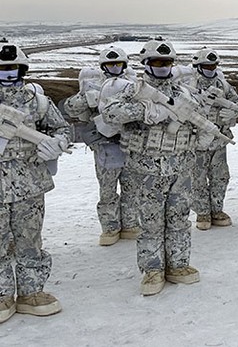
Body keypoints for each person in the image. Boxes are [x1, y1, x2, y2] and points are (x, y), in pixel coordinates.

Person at [100, 38, 203, 296]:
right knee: (151, 221)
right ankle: (153, 269)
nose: (162, 66)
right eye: (157, 62)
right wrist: (147, 109)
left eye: (167, 62)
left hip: (181, 167)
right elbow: (110, 113)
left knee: (179, 218)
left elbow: (199, 118)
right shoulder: (134, 89)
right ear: (146, 64)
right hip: (146, 170)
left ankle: (178, 264)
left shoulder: (183, 92)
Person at [0, 40, 70, 321]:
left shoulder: (38, 102)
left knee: (30, 240)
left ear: (22, 70)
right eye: (2, 69)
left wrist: (57, 143)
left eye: (12, 69)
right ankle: (2, 295)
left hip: (29, 185)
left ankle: (31, 292)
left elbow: (61, 128)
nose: (7, 74)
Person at [64, 46, 140, 245]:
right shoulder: (92, 85)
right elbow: (70, 108)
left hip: (131, 144)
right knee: (107, 190)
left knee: (131, 188)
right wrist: (88, 98)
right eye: (110, 64)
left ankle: (130, 225)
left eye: (118, 64)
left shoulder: (133, 84)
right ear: (103, 66)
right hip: (106, 145)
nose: (114, 67)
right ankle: (110, 228)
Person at [186, 48, 238, 229]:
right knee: (197, 179)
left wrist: (231, 113)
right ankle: (202, 213)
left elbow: (237, 103)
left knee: (220, 177)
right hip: (196, 141)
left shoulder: (223, 85)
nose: (210, 68)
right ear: (198, 66)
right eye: (206, 65)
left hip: (218, 140)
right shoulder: (189, 85)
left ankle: (217, 210)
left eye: (213, 65)